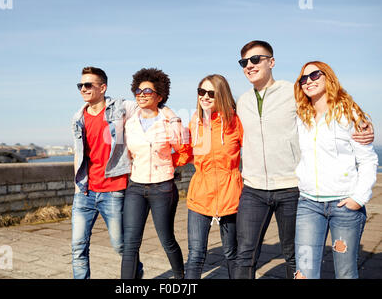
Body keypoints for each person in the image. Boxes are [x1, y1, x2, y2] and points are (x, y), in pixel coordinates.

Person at [234, 40, 375, 279]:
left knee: (324, 266)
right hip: (270, 192)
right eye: (244, 62)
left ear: (271, 62)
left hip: (303, 192)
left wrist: (358, 197)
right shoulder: (245, 102)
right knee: (256, 257)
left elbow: (362, 150)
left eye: (256, 59)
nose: (249, 65)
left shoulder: (299, 95)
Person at [293, 61, 378, 279]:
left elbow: (368, 160)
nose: (308, 81)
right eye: (303, 78)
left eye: (314, 75)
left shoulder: (349, 113)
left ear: (328, 77)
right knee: (303, 273)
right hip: (308, 205)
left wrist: (358, 198)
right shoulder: (301, 115)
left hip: (344, 206)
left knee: (345, 274)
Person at [71, 66, 141, 279]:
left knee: (121, 245)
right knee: (77, 248)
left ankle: (135, 275)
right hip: (85, 192)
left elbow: (149, 106)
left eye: (88, 85)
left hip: (113, 190)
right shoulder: (78, 117)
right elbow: (78, 153)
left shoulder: (121, 108)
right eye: (81, 85)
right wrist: (77, 187)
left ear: (103, 87)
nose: (83, 89)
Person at [173, 74, 243, 279]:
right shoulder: (195, 121)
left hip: (231, 195)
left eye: (210, 93)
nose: (204, 96)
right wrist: (163, 158)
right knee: (195, 255)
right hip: (200, 195)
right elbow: (185, 153)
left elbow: (255, 149)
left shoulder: (234, 121)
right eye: (201, 91)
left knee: (232, 254)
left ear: (221, 94)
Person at [121, 68, 185, 279]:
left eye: (148, 91)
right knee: (130, 242)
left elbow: (182, 148)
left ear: (159, 95)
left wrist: (172, 116)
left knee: (167, 239)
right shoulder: (129, 124)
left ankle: (180, 279)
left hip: (163, 187)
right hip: (135, 187)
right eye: (138, 91)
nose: (141, 94)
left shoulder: (169, 121)